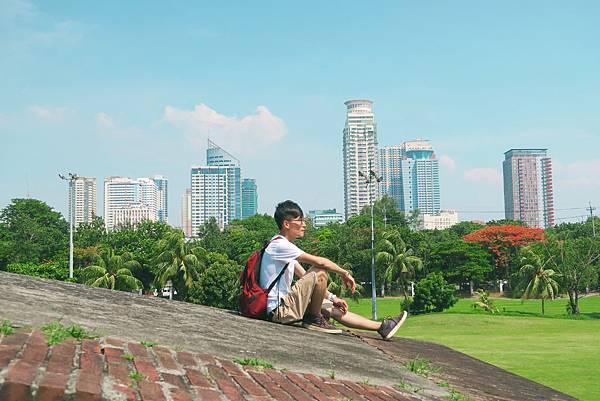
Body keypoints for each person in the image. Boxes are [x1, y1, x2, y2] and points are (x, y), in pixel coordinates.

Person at [259, 200, 407, 339]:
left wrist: (332, 298)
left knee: (333, 307)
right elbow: (320, 263)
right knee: (320, 271)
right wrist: (344, 272)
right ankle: (314, 319)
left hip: (286, 306)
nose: (304, 225)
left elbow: (305, 276)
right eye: (300, 221)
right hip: (279, 311)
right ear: (286, 224)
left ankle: (382, 327)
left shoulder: (284, 248)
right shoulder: (280, 246)